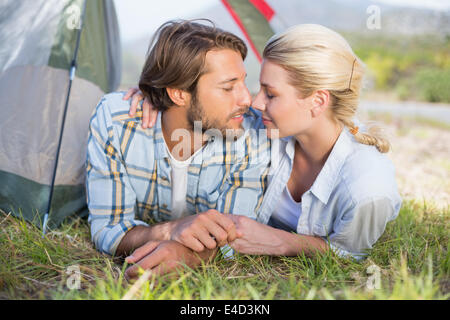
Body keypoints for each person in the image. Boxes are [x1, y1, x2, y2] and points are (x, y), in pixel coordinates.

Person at [128, 24, 402, 261]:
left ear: (318, 101)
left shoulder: (367, 192)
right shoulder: (265, 130)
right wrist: (157, 95)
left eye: (271, 94)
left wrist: (285, 242)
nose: (255, 103)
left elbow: (349, 252)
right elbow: (203, 105)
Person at [86, 20, 271, 279]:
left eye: (243, 82)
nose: (246, 99)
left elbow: (237, 234)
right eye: (228, 87)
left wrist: (187, 254)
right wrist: (169, 231)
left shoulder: (252, 133)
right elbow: (108, 228)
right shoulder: (116, 122)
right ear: (178, 94)